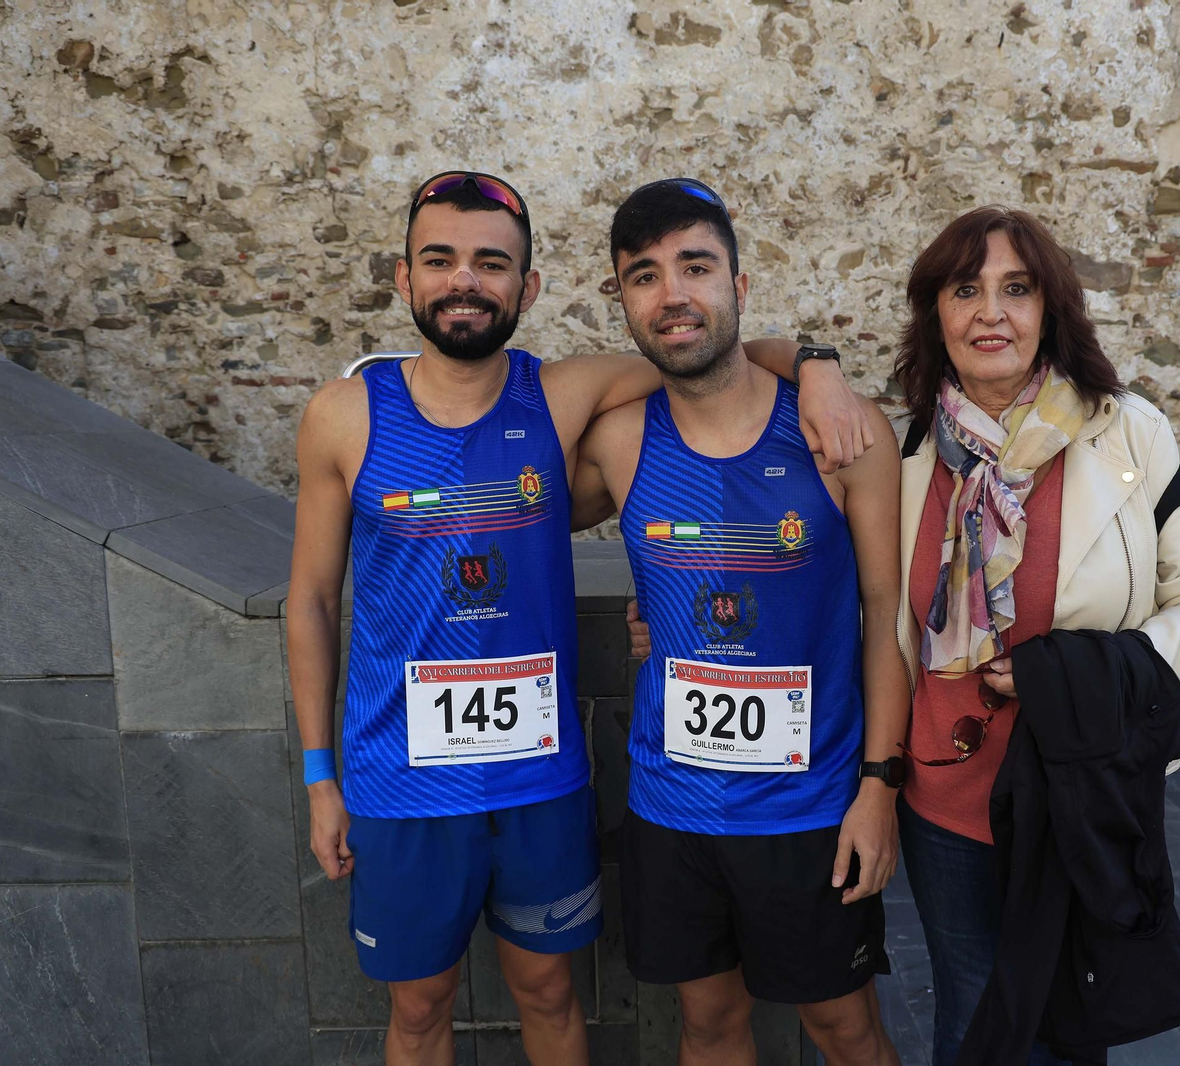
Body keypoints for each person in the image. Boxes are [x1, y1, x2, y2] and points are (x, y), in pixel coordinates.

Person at [286, 171, 872, 1066]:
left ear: (529, 289)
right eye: (439, 260)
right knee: (417, 1012)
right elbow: (312, 602)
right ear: (404, 279)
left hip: (542, 784)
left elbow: (709, 347)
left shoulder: (562, 396)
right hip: (399, 782)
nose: (465, 282)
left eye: (492, 264)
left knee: (551, 993)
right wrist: (321, 778)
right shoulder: (343, 415)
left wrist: (820, 365)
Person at [890, 207, 1180, 1065]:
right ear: (935, 311)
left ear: (1052, 308)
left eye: (1018, 289)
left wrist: (1075, 670)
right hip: (944, 799)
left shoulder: (1129, 433)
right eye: (964, 289)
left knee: (1069, 1022)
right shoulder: (902, 447)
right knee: (971, 1016)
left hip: (1079, 789)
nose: (990, 313)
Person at [571, 178, 908, 1065]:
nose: (672, 294)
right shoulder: (622, 439)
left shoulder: (841, 435)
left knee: (844, 1027)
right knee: (708, 1025)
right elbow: (501, 491)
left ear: (740, 285)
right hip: (672, 806)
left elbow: (888, 619)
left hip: (808, 807)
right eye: (644, 276)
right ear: (623, 301)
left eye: (696, 267)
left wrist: (879, 789)